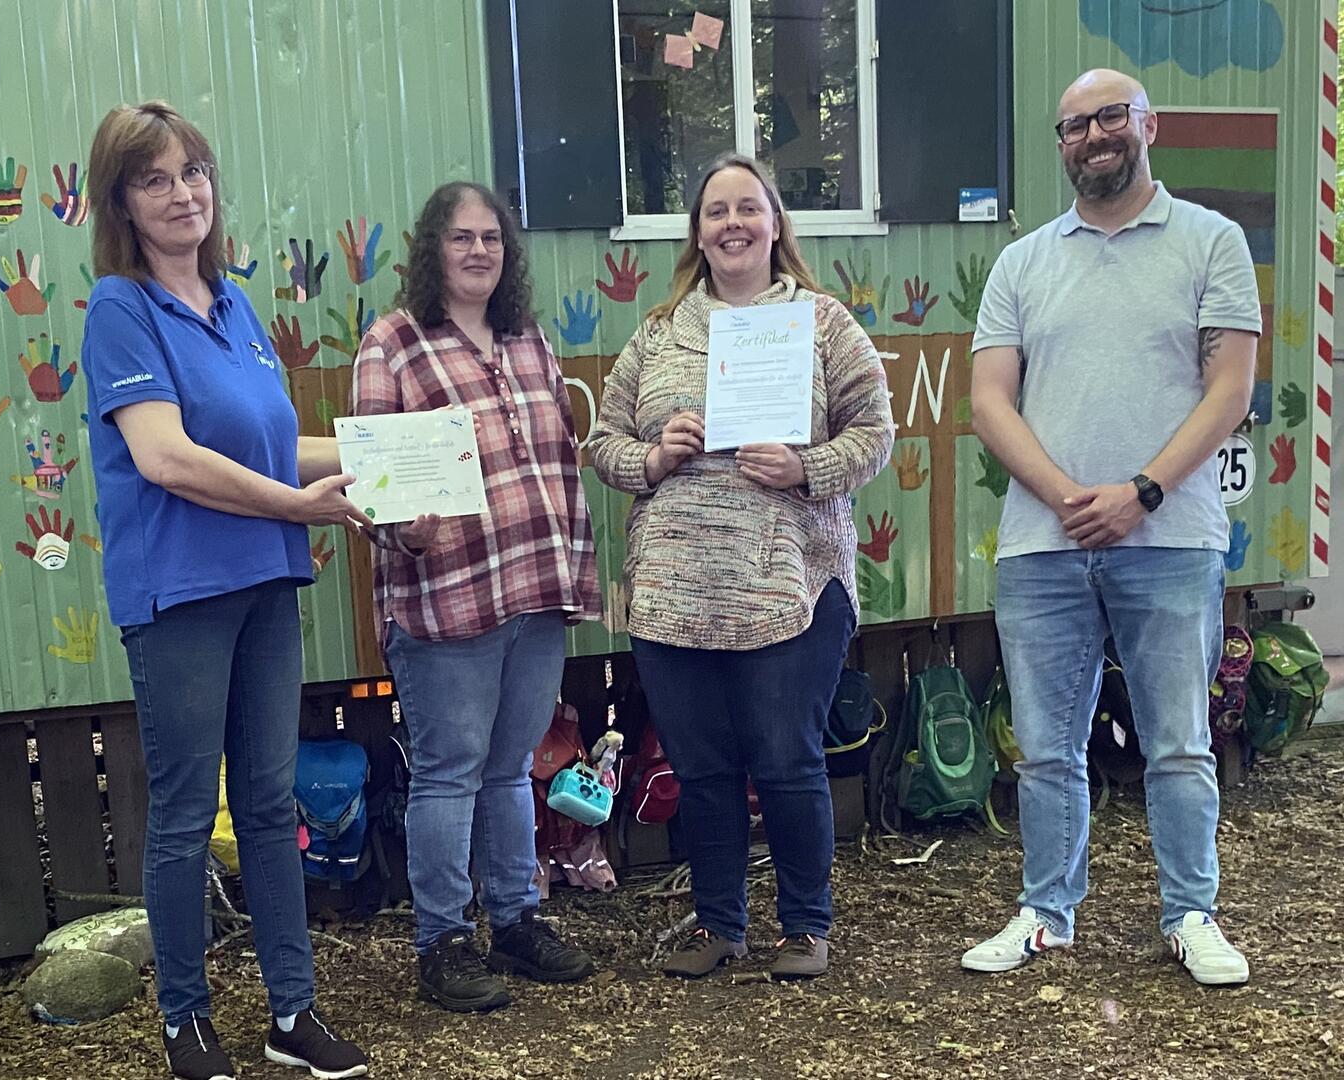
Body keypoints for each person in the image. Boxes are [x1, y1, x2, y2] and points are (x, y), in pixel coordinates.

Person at [81, 100, 370, 1080]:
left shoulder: (234, 305)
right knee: (179, 813)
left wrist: (409, 448)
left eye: (193, 171)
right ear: (122, 201)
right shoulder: (120, 310)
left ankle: (293, 1014)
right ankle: (185, 1022)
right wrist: (301, 504)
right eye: (154, 179)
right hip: (180, 594)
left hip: (263, 582)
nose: (181, 193)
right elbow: (168, 458)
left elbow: (272, 444)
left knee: (268, 799)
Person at [962, 69, 1258, 986]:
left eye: (1109, 117)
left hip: (1171, 537)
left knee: (1177, 742)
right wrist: (1065, 496)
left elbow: (1231, 390)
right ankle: (1046, 912)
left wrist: (1141, 492)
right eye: (1073, 125)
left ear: (1146, 125)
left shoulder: (1213, 241)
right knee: (1046, 748)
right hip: (1043, 546)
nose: (1092, 135)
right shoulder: (1022, 262)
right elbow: (989, 402)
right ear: (1061, 145)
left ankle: (1191, 915)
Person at [588, 152, 892, 981]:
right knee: (703, 768)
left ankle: (805, 927)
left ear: (774, 223)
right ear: (697, 232)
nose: (732, 224)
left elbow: (875, 432)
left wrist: (807, 470)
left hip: (789, 584)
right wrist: (652, 458)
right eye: (715, 210)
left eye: (747, 208)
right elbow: (602, 443)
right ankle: (719, 924)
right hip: (673, 591)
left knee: (786, 758)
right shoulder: (658, 332)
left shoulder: (824, 325)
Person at [351, 181, 603, 1012]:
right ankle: (442, 940)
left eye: (492, 238)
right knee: (450, 772)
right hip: (445, 597)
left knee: (508, 769)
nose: (478, 252)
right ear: (433, 249)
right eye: (461, 238)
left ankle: (517, 918)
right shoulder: (391, 343)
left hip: (535, 585)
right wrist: (403, 531)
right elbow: (372, 478)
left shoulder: (525, 336)